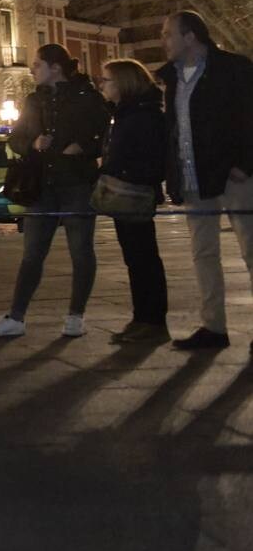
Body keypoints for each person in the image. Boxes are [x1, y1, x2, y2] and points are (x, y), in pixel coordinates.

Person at [0, 44, 109, 339]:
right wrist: (33, 143)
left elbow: (102, 133)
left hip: (76, 182)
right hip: (42, 184)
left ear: (55, 67)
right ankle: (16, 315)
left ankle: (76, 315)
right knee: (32, 254)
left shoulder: (87, 97)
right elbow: (16, 139)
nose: (32, 69)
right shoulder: (34, 100)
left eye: (37, 64)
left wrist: (84, 147)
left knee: (81, 251)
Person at [155, 12, 253, 352]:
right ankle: (214, 326)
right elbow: (174, 131)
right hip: (194, 177)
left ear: (191, 36)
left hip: (234, 176)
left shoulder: (234, 69)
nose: (163, 41)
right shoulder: (171, 78)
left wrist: (244, 163)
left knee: (251, 250)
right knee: (203, 253)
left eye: (168, 34)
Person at [98, 59, 169, 344]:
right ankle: (143, 318)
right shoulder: (126, 113)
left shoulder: (142, 116)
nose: (102, 85)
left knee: (143, 257)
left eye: (107, 80)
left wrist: (116, 171)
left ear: (124, 83)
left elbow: (147, 155)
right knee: (135, 258)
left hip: (134, 192)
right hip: (125, 191)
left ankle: (152, 320)